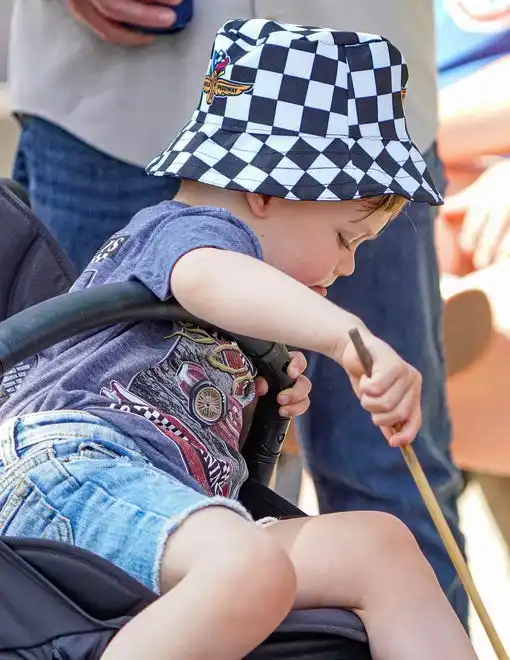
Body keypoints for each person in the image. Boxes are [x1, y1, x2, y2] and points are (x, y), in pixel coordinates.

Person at [0, 22, 477, 660]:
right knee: (249, 568)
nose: (349, 268)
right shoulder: (182, 231)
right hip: (68, 469)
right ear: (265, 190)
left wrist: (267, 383)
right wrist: (348, 338)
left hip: (158, 497)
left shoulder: (230, 300)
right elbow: (206, 274)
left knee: (381, 547)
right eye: (344, 238)